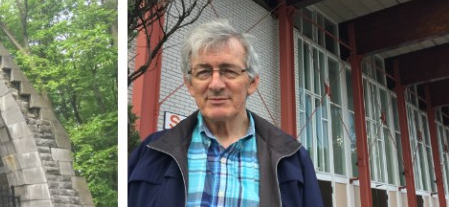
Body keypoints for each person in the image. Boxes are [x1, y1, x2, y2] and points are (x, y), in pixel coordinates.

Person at [129, 20, 324, 207]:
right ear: (190, 84)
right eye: (203, 72)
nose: (215, 85)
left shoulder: (292, 159)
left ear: (252, 82)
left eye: (228, 71)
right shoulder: (150, 153)